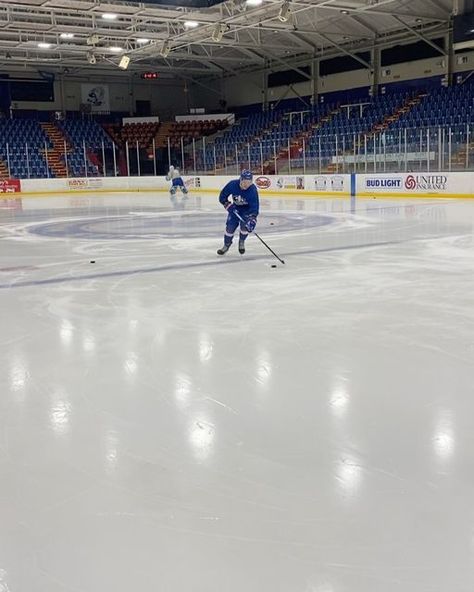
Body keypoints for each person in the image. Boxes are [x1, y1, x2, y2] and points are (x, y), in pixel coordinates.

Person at [217, 169, 259, 256]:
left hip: (247, 210)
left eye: (249, 182)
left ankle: (242, 241)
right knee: (230, 228)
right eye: (245, 182)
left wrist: (252, 219)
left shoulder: (252, 190)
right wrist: (228, 205)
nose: (246, 185)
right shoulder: (232, 184)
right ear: (240, 179)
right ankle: (226, 245)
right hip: (235, 209)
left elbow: (254, 207)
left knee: (245, 227)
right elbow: (222, 196)